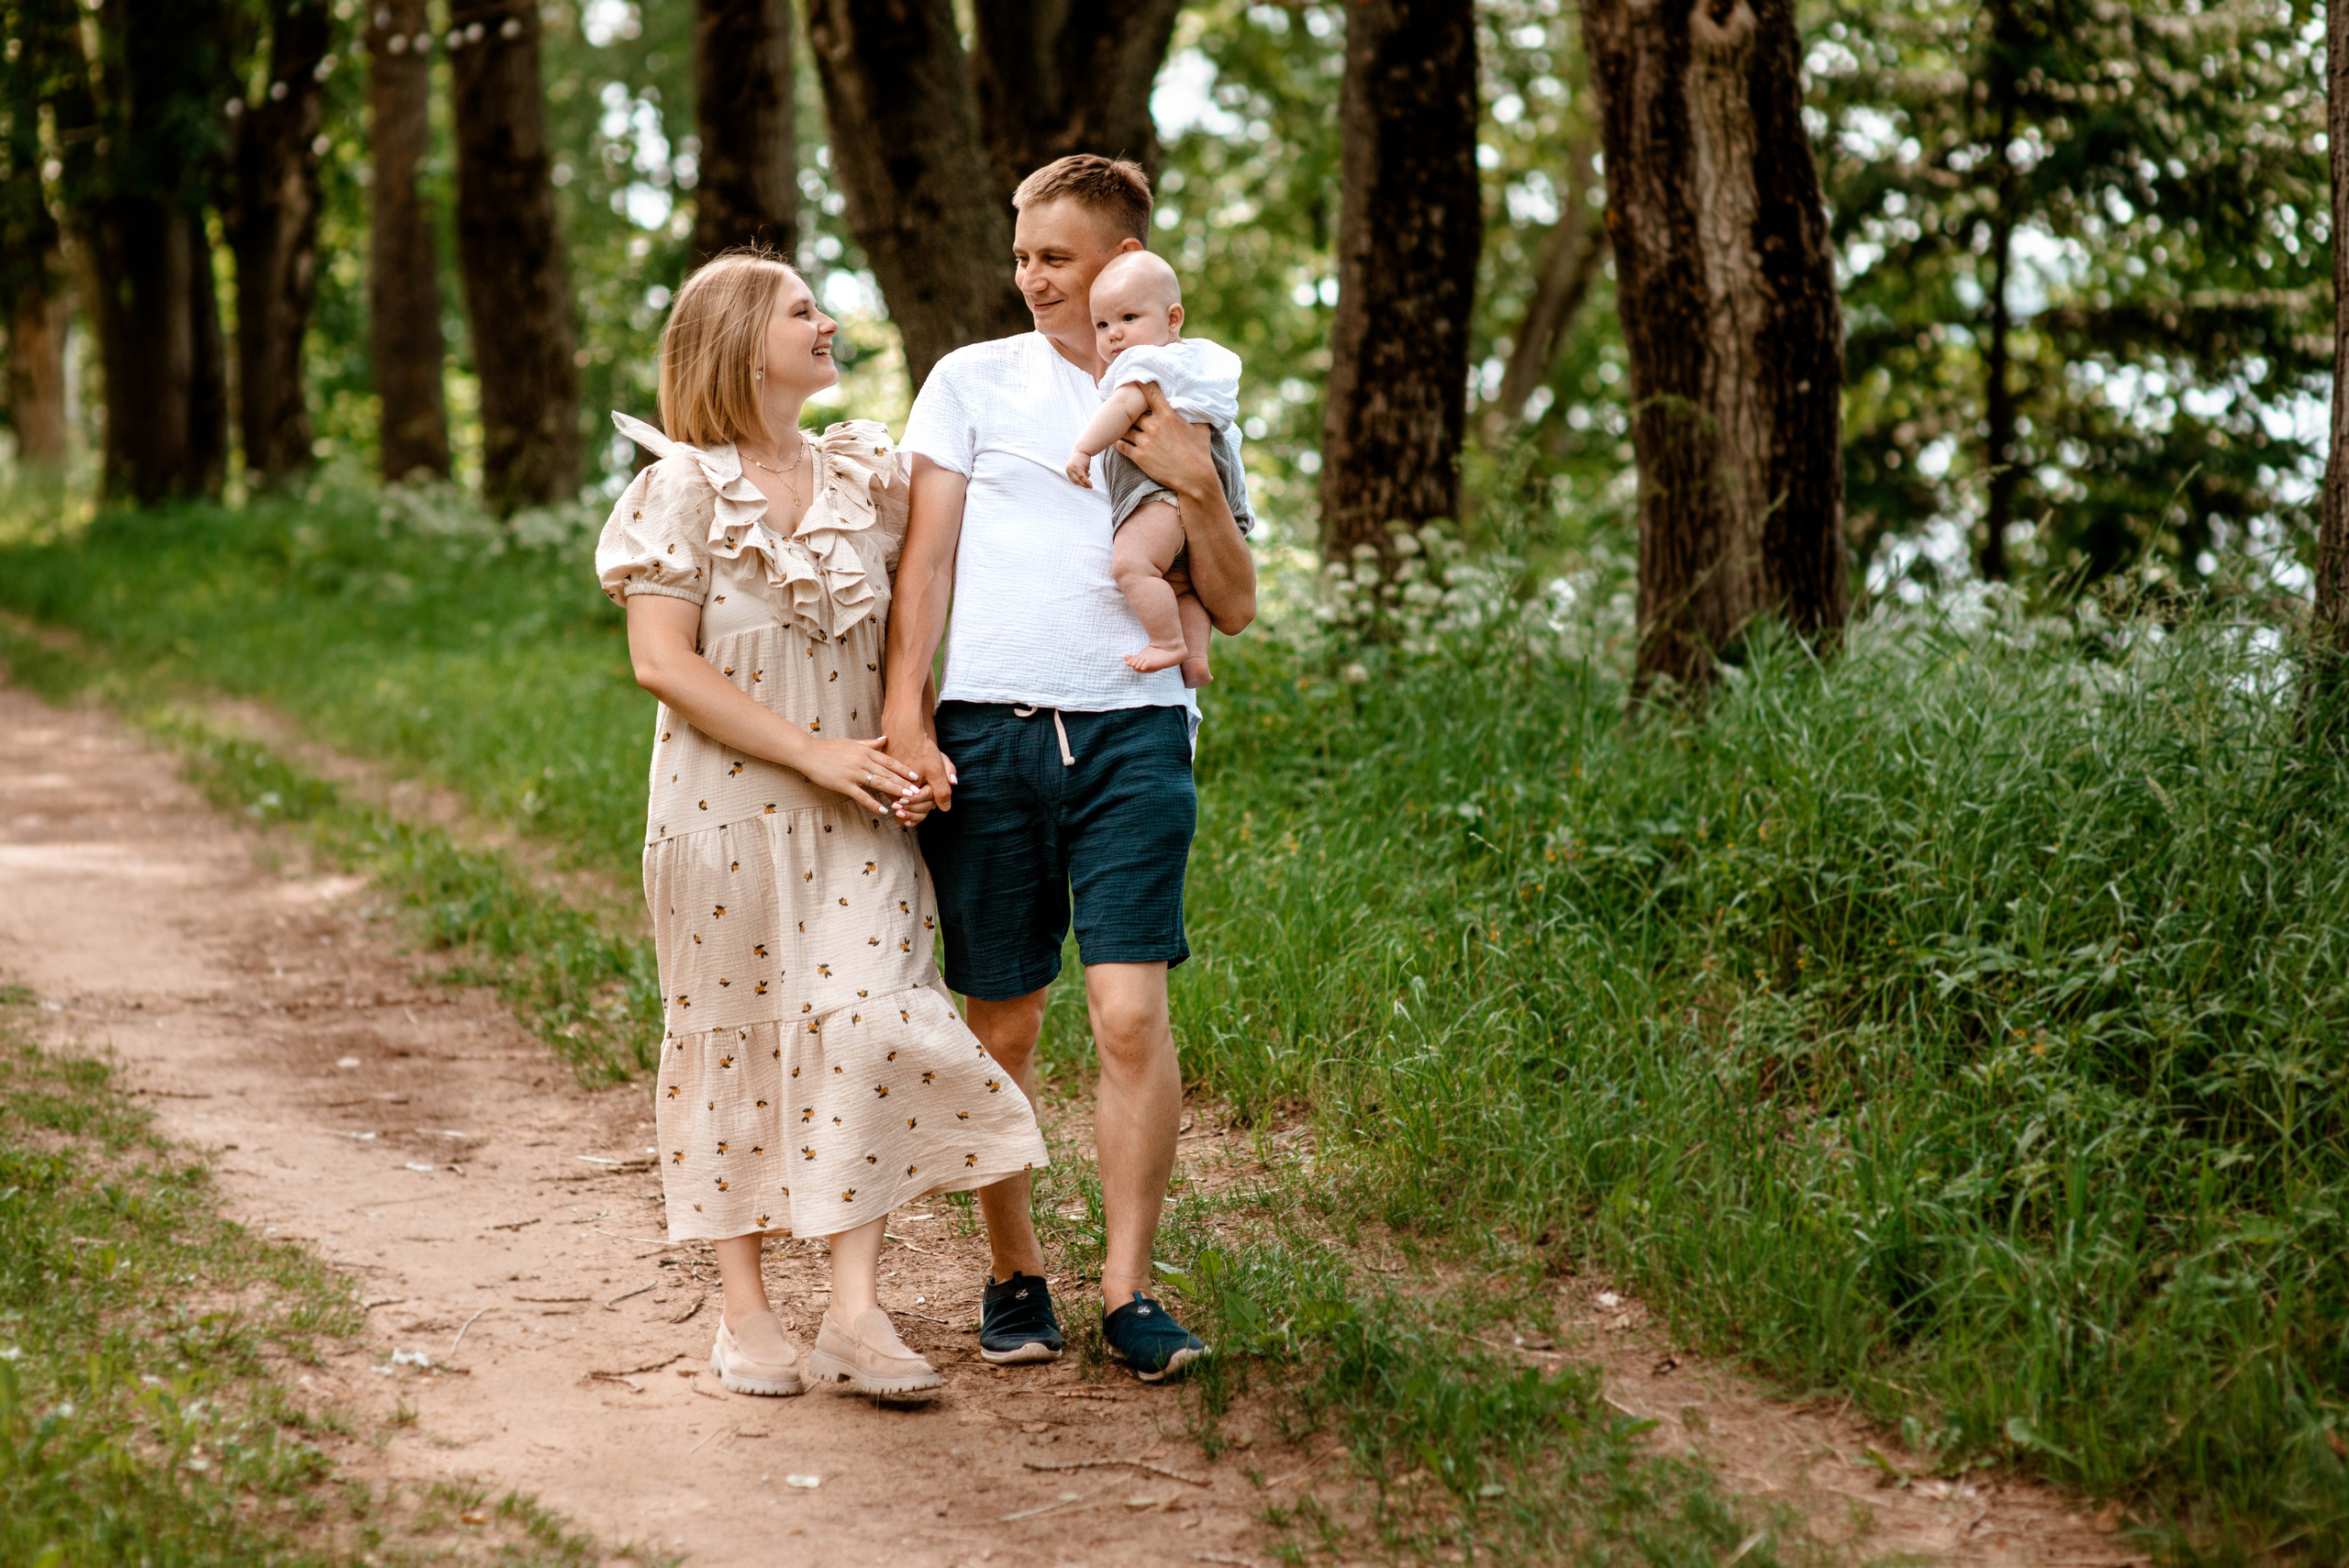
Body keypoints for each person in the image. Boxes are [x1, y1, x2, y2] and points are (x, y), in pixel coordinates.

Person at [596, 250, 1049, 1400]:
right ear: (741, 340)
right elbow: (662, 663)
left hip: (858, 808)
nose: (827, 321)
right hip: (722, 816)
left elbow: (921, 609)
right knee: (733, 1039)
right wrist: (815, 754)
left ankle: (854, 1312)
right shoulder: (678, 489)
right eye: (802, 309)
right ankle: (745, 1314)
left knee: (872, 1021)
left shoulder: (867, 476)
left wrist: (912, 737)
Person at [885, 155, 1257, 1382]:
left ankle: (1130, 1291)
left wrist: (1195, 481)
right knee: (1003, 1019)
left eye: (1057, 257)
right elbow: (925, 567)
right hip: (989, 734)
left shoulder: (1189, 393)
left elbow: (1235, 605)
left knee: (1131, 1014)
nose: (1034, 279)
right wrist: (907, 718)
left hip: (1134, 735)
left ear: (1126, 263)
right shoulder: (971, 381)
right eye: (1024, 257)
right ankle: (1015, 1272)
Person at [1062, 250, 1252, 688]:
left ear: (1173, 318)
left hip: (1161, 498)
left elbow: (1123, 409)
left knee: (1132, 566)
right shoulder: (1196, 367)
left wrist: (1083, 450)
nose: (1113, 334)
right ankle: (1196, 657)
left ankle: (1167, 642)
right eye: (1102, 325)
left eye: (1128, 318)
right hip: (1206, 506)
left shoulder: (1147, 366)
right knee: (1181, 584)